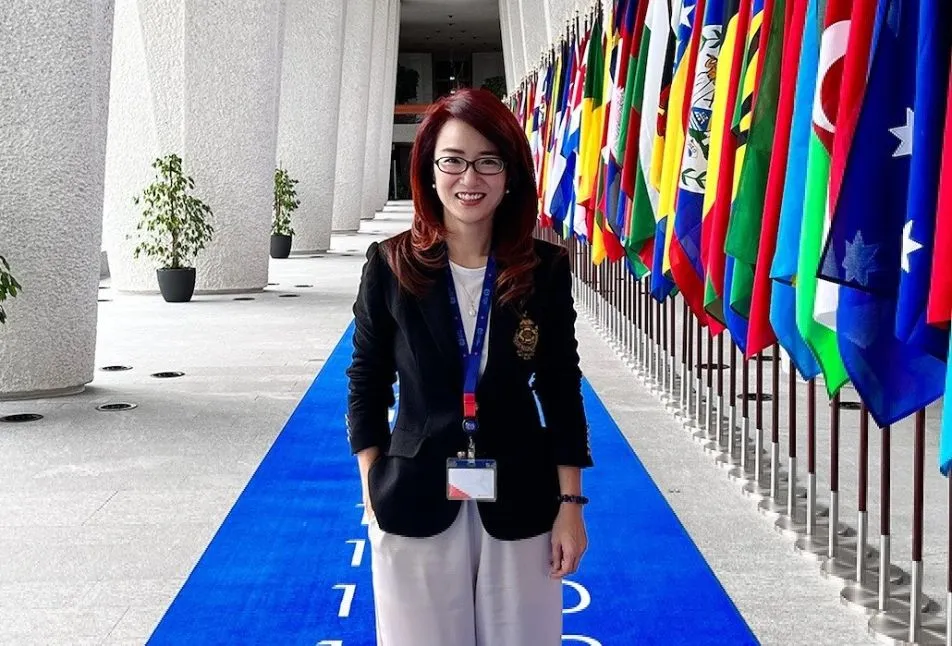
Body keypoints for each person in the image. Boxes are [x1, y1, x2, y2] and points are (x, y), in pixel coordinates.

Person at [345, 87, 593, 646]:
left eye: (487, 161)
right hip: (412, 491)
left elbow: (560, 388)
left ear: (509, 175)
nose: (469, 178)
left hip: (523, 496)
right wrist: (371, 484)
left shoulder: (544, 269)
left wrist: (571, 505)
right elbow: (366, 380)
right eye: (453, 161)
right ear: (430, 172)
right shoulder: (390, 265)